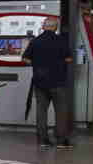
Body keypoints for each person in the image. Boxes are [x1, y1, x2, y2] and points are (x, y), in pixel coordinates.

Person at [21, 17, 73, 149]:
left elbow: (25, 59)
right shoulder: (61, 40)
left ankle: (43, 140)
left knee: (41, 111)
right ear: (55, 27)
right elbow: (69, 59)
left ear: (44, 27)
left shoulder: (35, 41)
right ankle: (61, 141)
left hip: (40, 82)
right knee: (61, 111)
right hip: (58, 82)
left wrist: (37, 63)